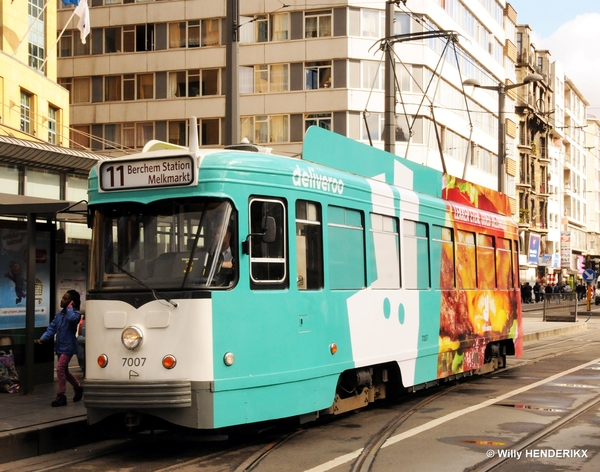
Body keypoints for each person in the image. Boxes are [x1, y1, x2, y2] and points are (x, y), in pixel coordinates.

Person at [37, 290, 83, 407]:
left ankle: (61, 395)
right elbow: (52, 328)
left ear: (71, 302)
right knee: (65, 371)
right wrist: (43, 338)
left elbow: (72, 319)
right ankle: (78, 387)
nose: (61, 300)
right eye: (62, 298)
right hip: (60, 345)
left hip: (69, 346)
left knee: (60, 368)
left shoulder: (76, 314)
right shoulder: (59, 315)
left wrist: (69, 308)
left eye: (65, 299)